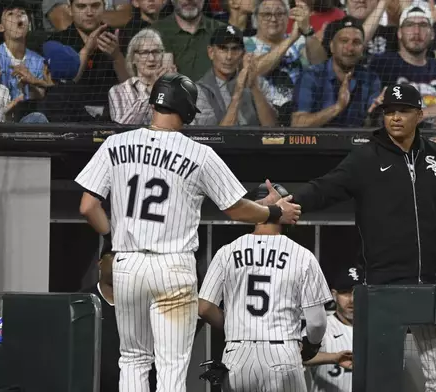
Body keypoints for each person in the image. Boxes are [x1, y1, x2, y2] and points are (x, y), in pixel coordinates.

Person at [75, 72, 301, 392]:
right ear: (186, 109)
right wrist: (274, 211)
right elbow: (236, 208)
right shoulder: (198, 153)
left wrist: (114, 237)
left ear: (154, 102)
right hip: (172, 267)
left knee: (134, 359)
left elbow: (87, 206)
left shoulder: (115, 143)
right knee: (170, 363)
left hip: (127, 263)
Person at [265, 83, 436, 392]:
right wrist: (289, 199)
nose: (395, 118)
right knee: (378, 377)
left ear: (420, 115)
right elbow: (325, 188)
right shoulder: (366, 158)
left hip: (431, 283)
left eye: (403, 111)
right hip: (383, 286)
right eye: (389, 111)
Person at [198, 183, 332, 392]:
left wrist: (234, 325)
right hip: (282, 352)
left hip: (236, 355)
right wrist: (310, 347)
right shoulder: (301, 255)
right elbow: (316, 322)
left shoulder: (227, 252)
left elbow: (204, 307)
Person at [369, 3, 436, 129]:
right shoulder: (383, 65)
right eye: (409, 25)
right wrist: (428, 111)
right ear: (399, 33)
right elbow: (378, 118)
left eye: (423, 25)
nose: (416, 32)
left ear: (432, 34)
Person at [82, 250, 157, 392]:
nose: (118, 261)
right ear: (100, 263)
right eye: (112, 255)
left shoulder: (144, 302)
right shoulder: (83, 303)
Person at [291, 16, 381, 128]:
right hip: (317, 144)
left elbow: (371, 124)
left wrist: (378, 112)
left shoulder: (371, 79)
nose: (350, 48)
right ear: (332, 47)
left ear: (362, 50)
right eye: (344, 41)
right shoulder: (311, 76)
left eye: (356, 42)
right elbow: (297, 124)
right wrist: (338, 107)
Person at [305, 266, 361, 392]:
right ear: (334, 294)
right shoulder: (321, 327)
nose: (352, 299)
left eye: (357, 292)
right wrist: (333, 358)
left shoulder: (375, 330)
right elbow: (295, 356)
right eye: (345, 292)